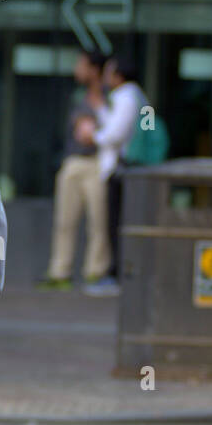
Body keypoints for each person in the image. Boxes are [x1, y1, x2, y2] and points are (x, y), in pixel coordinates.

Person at [42, 51, 110, 290]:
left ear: (94, 69)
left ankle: (96, 271)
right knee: (64, 219)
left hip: (98, 162)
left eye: (81, 65)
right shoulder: (77, 95)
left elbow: (142, 117)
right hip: (73, 160)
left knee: (98, 221)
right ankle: (59, 272)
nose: (76, 70)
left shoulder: (112, 94)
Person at [85, 56, 146, 296]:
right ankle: (118, 273)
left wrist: (94, 137)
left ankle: (116, 275)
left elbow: (116, 133)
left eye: (110, 72)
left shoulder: (125, 97)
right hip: (131, 166)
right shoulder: (139, 96)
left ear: (119, 76)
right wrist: (100, 107)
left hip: (121, 169)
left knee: (116, 224)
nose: (106, 77)